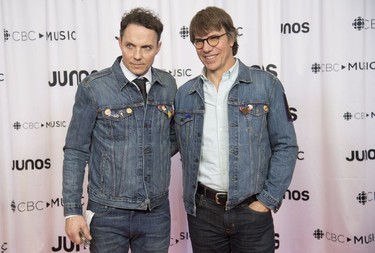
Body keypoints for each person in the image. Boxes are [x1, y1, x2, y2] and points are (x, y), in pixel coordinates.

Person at [174, 6, 298, 253]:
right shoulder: (184, 94)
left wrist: (266, 200)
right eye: (199, 41)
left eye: (213, 38)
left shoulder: (266, 85)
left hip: (251, 211)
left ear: (231, 38)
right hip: (204, 214)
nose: (206, 47)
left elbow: (286, 145)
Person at [62, 7, 178, 253]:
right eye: (130, 46)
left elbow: (171, 137)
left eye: (146, 48)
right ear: (119, 43)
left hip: (155, 213)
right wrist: (72, 211)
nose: (137, 55)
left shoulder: (168, 84)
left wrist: (149, 153)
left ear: (158, 47)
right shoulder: (94, 88)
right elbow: (75, 150)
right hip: (106, 214)